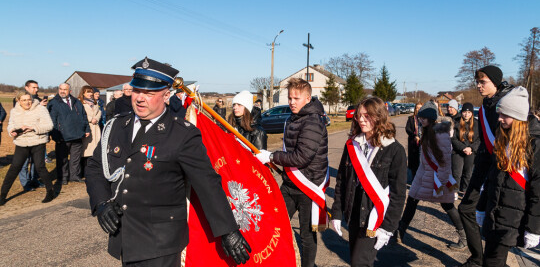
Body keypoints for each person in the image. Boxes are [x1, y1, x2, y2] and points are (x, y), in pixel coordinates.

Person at [85, 57, 251, 267]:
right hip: (124, 236)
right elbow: (95, 168)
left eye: (149, 93)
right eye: (137, 91)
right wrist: (101, 203)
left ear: (166, 95)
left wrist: (228, 230)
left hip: (160, 242)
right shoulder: (117, 126)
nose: (140, 98)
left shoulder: (182, 134)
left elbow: (207, 182)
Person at [256, 78, 328, 267]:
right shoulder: (292, 118)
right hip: (290, 183)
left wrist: (272, 157)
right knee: (275, 224)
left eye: (296, 98)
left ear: (307, 98)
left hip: (308, 185)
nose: (292, 102)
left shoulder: (313, 121)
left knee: (306, 235)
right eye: (289, 97)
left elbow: (301, 157)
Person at [330, 97, 407, 266]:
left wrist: (388, 227)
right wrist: (336, 212)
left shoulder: (395, 150)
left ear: (379, 116)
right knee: (356, 261)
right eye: (359, 116)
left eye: (367, 116)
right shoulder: (352, 145)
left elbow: (398, 194)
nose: (361, 120)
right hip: (353, 213)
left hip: (374, 216)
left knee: (360, 263)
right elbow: (341, 181)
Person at [476, 87, 540, 266]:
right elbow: (491, 178)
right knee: (491, 259)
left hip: (515, 218)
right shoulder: (502, 138)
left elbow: (538, 191)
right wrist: (481, 207)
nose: (499, 118)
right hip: (494, 213)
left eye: (504, 115)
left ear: (518, 117)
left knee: (492, 262)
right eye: (499, 114)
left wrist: (534, 228)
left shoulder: (535, 145)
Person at [458, 65, 514, 267]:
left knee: (496, 222)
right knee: (465, 209)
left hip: (503, 173)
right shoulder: (484, 107)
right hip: (484, 167)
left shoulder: (508, 105)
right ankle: (477, 257)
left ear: (496, 82)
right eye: (478, 81)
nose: (478, 85)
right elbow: (485, 143)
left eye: (483, 82)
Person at [396, 102, 467, 250]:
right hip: (424, 174)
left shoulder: (440, 133)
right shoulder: (426, 130)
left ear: (432, 118)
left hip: (438, 176)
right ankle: (400, 232)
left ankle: (464, 237)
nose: (421, 120)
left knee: (447, 205)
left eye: (424, 117)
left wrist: (441, 183)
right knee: (412, 200)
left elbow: (445, 160)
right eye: (420, 117)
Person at [0, 92, 54, 205]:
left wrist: (33, 128)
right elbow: (10, 124)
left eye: (29, 99)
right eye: (23, 100)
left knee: (40, 166)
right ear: (19, 101)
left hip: (37, 141)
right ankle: (3, 195)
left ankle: (50, 191)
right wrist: (12, 131)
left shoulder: (40, 109)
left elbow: (49, 125)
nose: (27, 102)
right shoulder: (15, 111)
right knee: (14, 168)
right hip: (22, 142)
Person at [48, 83, 90, 185]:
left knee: (75, 158)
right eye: (60, 89)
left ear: (70, 91)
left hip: (77, 134)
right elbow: (51, 121)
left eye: (65, 89)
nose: (62, 91)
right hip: (63, 136)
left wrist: (87, 129)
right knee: (62, 159)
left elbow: (84, 116)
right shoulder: (53, 103)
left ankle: (74, 176)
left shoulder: (76, 102)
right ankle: (63, 177)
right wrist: (55, 135)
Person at [451, 103, 480, 193]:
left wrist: (471, 148)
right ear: (461, 112)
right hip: (457, 152)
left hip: (471, 152)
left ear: (471, 113)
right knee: (456, 173)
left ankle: (465, 190)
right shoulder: (456, 122)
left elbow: (479, 139)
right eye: (464, 112)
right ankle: (454, 191)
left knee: (468, 173)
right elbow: (453, 138)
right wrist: (463, 148)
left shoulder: (477, 124)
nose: (466, 114)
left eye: (468, 112)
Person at [80, 86, 102, 178]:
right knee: (85, 150)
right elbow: (81, 114)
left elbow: (99, 112)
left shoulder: (95, 103)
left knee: (94, 150)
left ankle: (92, 170)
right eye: (87, 92)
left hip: (95, 128)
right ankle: (83, 171)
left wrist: (96, 118)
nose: (90, 94)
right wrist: (90, 119)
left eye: (91, 92)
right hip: (87, 128)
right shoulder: (81, 103)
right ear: (83, 93)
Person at [405, 102, 422, 178]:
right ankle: (413, 177)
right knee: (413, 161)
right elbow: (407, 129)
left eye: (420, 108)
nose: (418, 109)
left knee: (420, 161)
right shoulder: (411, 118)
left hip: (422, 143)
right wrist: (414, 136)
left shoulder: (424, 119)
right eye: (417, 108)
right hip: (413, 142)